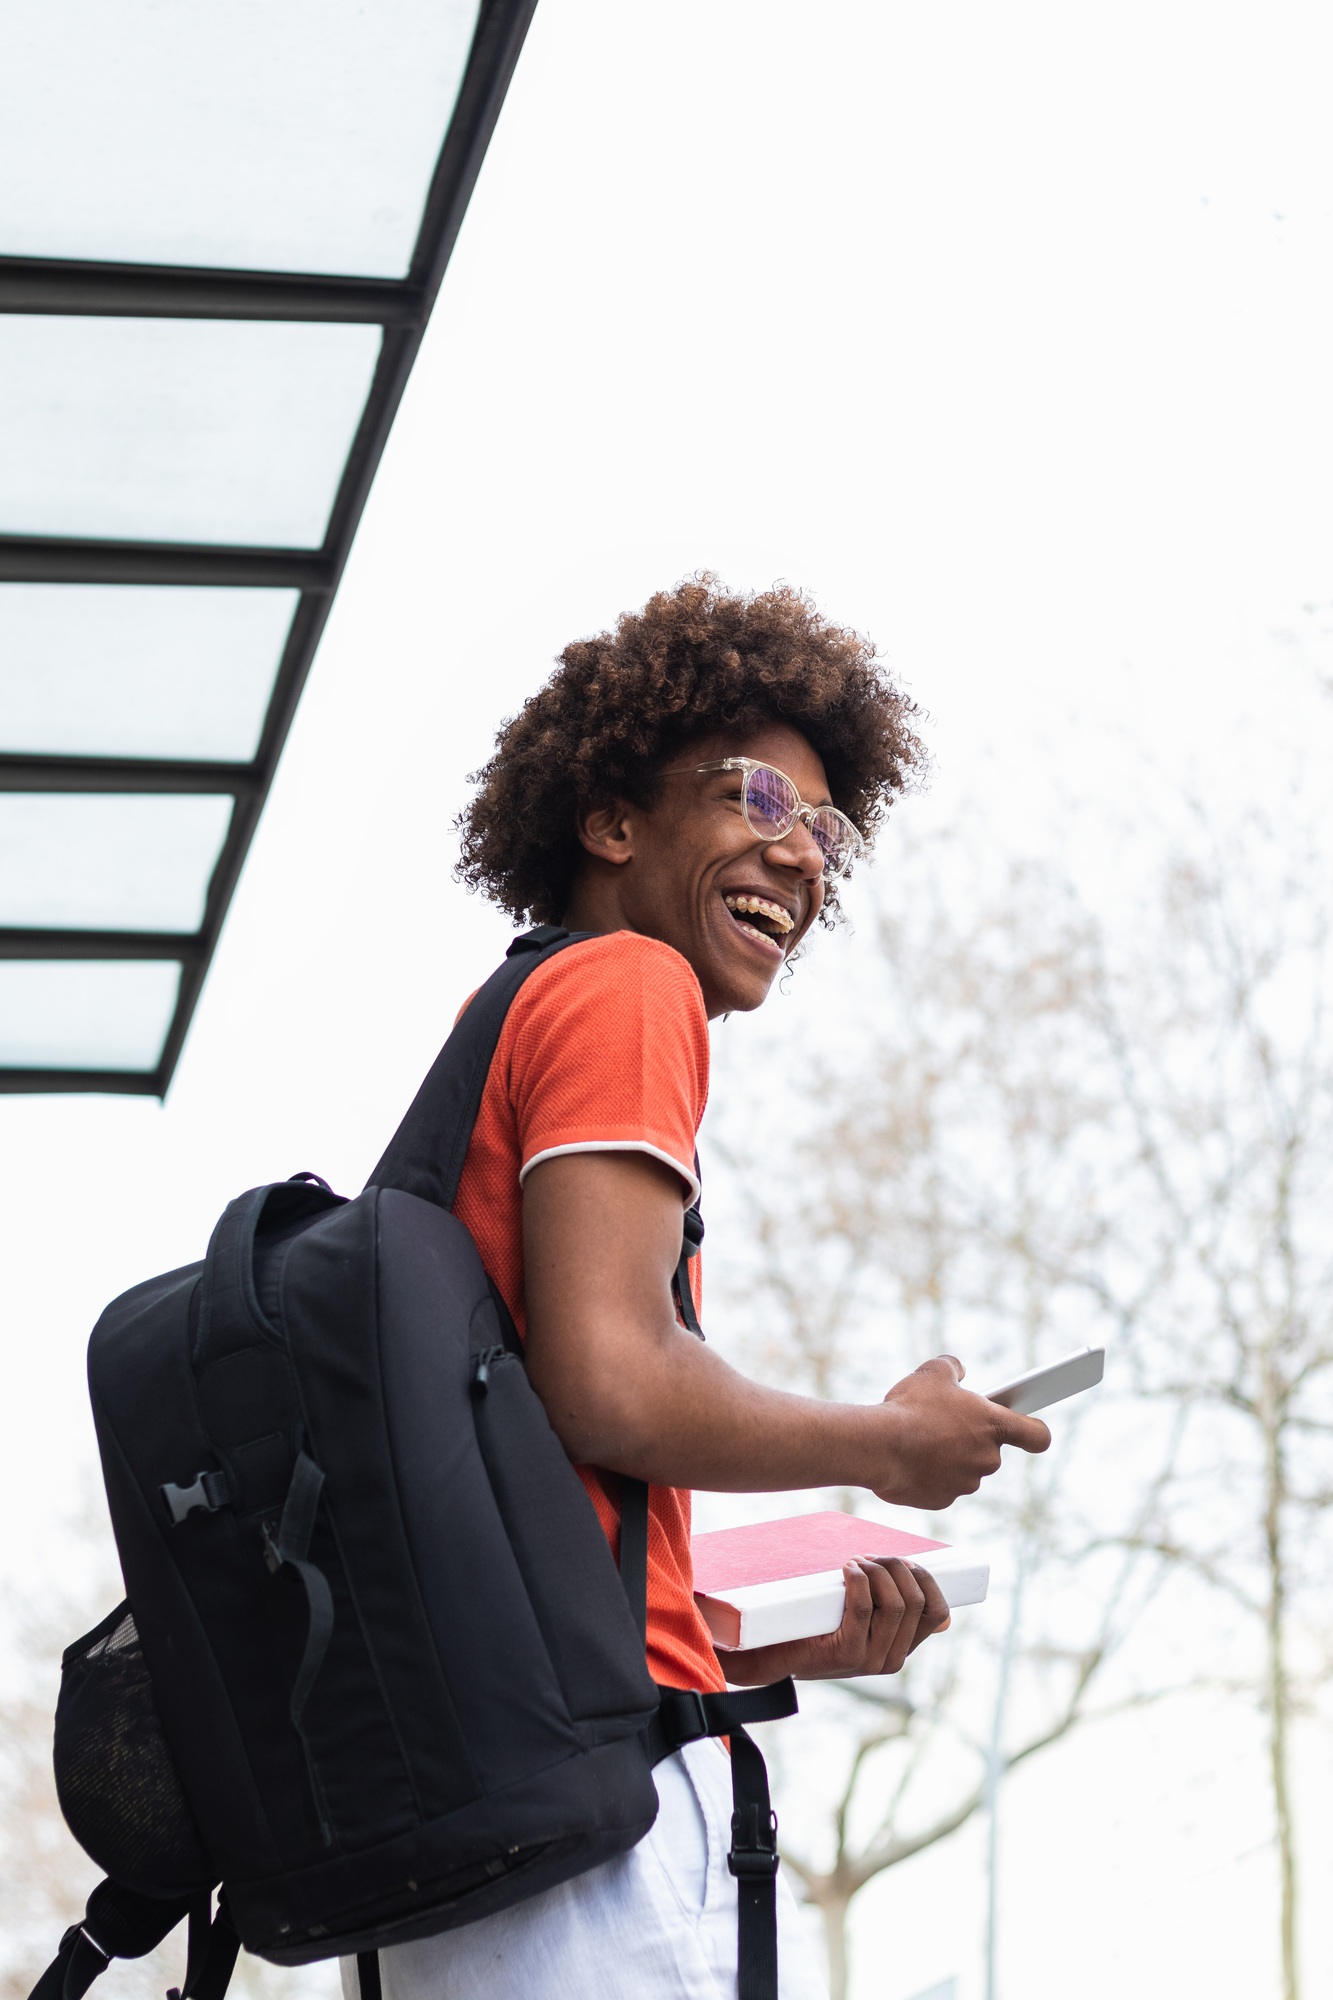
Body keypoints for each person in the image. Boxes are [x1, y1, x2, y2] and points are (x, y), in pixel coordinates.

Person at [360, 577, 1049, 2000]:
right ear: (613, 822)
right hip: (591, 1846)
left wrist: (751, 1643)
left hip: (473, 1822)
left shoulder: (508, 1015)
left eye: (824, 829)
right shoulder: (625, 988)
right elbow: (607, 1382)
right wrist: (887, 1445)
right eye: (753, 798)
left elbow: (538, 1486)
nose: (797, 858)